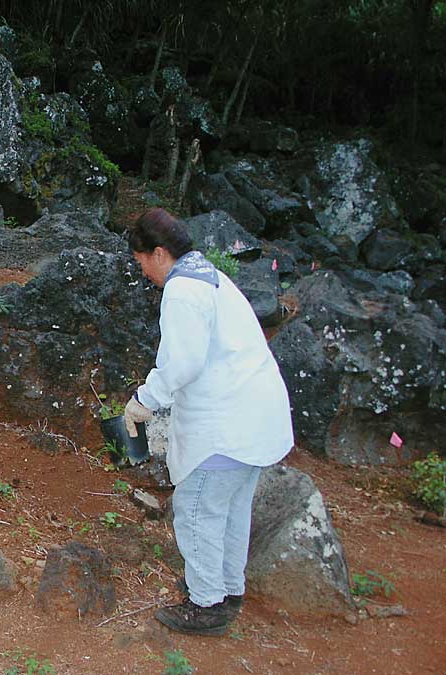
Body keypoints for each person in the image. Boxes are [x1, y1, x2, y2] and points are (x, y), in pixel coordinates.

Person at [123, 208, 294, 636]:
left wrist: (144, 401)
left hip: (228, 424)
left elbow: (181, 363)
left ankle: (205, 606)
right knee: (232, 510)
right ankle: (227, 589)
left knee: (197, 510)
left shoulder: (182, 290)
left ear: (159, 253)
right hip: (257, 416)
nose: (142, 270)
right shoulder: (210, 275)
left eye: (141, 260)